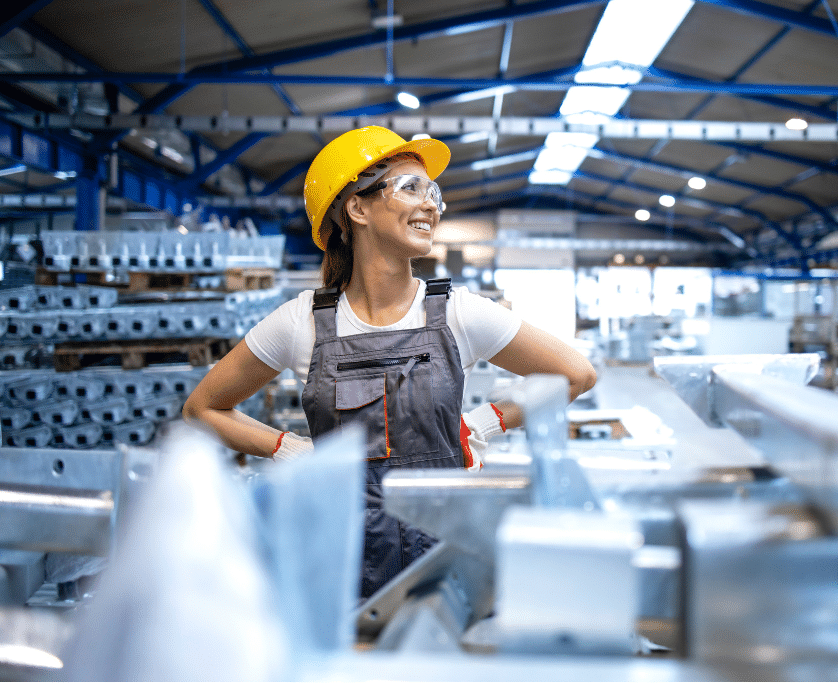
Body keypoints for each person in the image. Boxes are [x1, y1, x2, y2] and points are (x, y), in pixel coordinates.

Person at [183, 125, 597, 597]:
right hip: (343, 562)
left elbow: (576, 374)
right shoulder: (302, 322)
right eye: (411, 188)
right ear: (357, 207)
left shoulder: (459, 312)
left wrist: (483, 423)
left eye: (433, 193)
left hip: (447, 553)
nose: (431, 205)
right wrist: (293, 450)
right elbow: (203, 408)